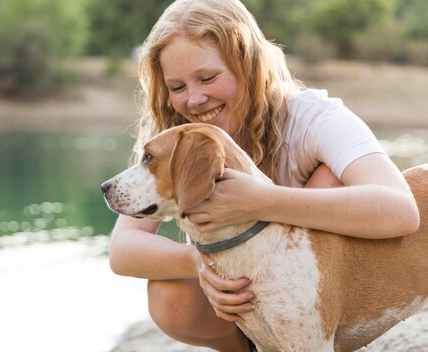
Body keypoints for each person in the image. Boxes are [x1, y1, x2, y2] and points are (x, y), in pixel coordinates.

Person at [107, 0, 421, 351]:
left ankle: (321, 327)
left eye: (208, 78)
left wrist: (261, 201)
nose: (194, 99)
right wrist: (200, 262)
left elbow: (401, 209)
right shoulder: (177, 132)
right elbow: (122, 249)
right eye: (177, 87)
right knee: (169, 293)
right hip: (234, 296)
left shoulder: (314, 119)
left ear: (248, 65)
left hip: (316, 291)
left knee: (333, 177)